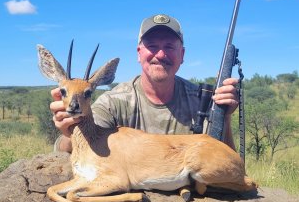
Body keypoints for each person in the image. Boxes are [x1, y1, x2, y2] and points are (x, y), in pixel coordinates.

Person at [50, 14, 239, 153]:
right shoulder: (114, 102)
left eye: (169, 47)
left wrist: (225, 115)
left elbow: (227, 164)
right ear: (139, 53)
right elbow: (63, 149)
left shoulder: (203, 100)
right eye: (152, 46)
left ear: (182, 55)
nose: (161, 54)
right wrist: (71, 131)